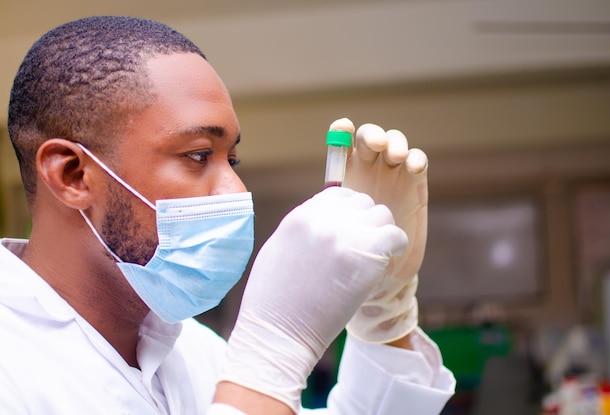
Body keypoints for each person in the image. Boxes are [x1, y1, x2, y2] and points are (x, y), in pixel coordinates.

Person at [0, 16, 455, 415]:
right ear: (74, 174)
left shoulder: (190, 350)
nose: (236, 190)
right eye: (199, 155)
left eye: (231, 160)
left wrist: (385, 316)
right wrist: (270, 356)